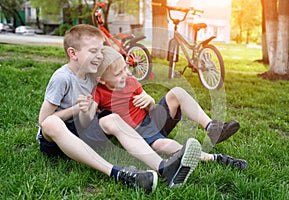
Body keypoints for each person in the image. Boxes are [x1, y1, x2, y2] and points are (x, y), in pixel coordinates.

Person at [36, 24, 202, 193]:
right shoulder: (62, 78)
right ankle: (118, 173)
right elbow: (42, 121)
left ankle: (163, 168)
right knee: (51, 123)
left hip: (82, 131)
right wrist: (76, 109)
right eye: (93, 51)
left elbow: (88, 118)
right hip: (57, 137)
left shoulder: (93, 76)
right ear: (73, 54)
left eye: (100, 51)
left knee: (112, 118)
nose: (99, 56)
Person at [79, 46, 247, 170]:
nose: (126, 74)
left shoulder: (131, 81)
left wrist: (150, 100)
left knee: (178, 92)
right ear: (101, 80)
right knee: (163, 146)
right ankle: (214, 158)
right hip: (139, 134)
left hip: (153, 118)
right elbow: (88, 120)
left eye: (125, 68)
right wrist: (86, 106)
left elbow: (150, 107)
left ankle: (212, 127)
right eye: (118, 73)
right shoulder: (98, 92)